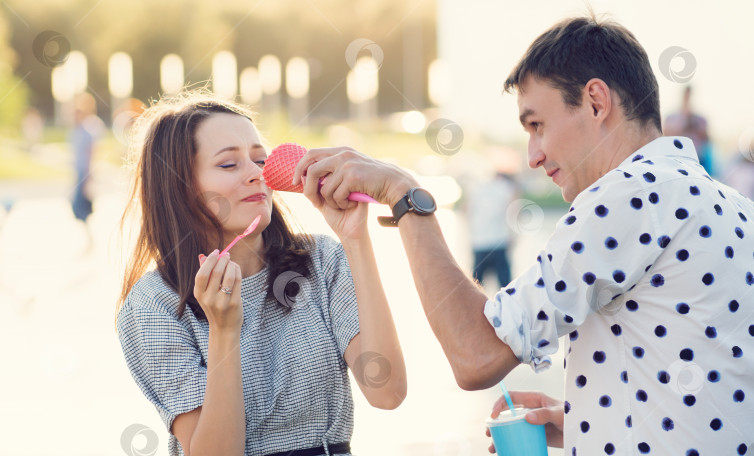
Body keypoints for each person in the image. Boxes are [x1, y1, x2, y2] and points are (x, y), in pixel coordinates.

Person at [293, 15, 754, 455]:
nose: (533, 155)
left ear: (596, 101)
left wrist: (407, 196)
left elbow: (475, 356)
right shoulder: (732, 207)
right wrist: (588, 420)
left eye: (537, 125)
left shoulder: (628, 197)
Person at [115, 92, 406, 456]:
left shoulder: (321, 259)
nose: (258, 174)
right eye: (228, 165)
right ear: (179, 189)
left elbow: (387, 391)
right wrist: (223, 330)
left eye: (260, 159)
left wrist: (356, 240)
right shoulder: (154, 305)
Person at [461, 167, 519, 289]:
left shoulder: (476, 188)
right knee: (506, 288)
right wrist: (513, 237)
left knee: (476, 287)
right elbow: (513, 213)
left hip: (479, 242)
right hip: (500, 242)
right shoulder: (507, 188)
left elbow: (465, 211)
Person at [664, 86, 716, 176]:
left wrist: (694, 126)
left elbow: (707, 138)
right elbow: (665, 134)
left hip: (698, 158)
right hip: (675, 157)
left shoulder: (700, 119)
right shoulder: (671, 118)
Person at [70, 92, 104, 225]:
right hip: (78, 169)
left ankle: (89, 232)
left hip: (85, 170)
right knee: (78, 203)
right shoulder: (77, 129)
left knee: (80, 204)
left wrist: (89, 174)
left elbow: (91, 153)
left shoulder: (90, 128)